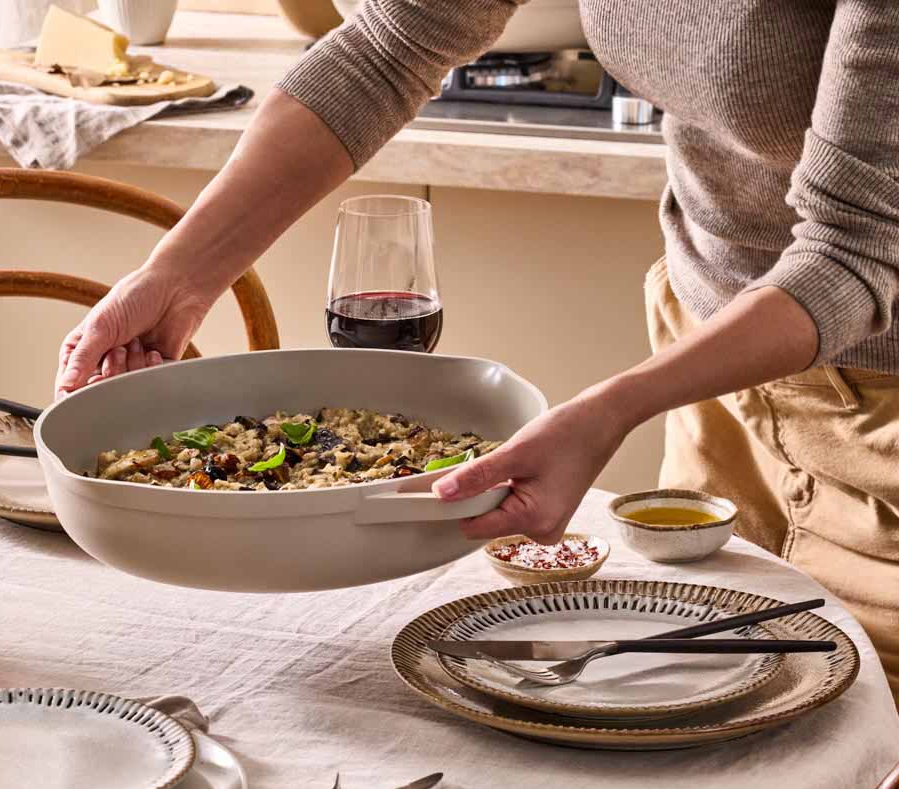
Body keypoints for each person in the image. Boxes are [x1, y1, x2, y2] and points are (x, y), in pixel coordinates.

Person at [55, 1, 899, 699]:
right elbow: (393, 43)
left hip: (883, 420)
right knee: (703, 721)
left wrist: (611, 407)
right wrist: (179, 276)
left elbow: (854, 253)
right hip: (715, 374)